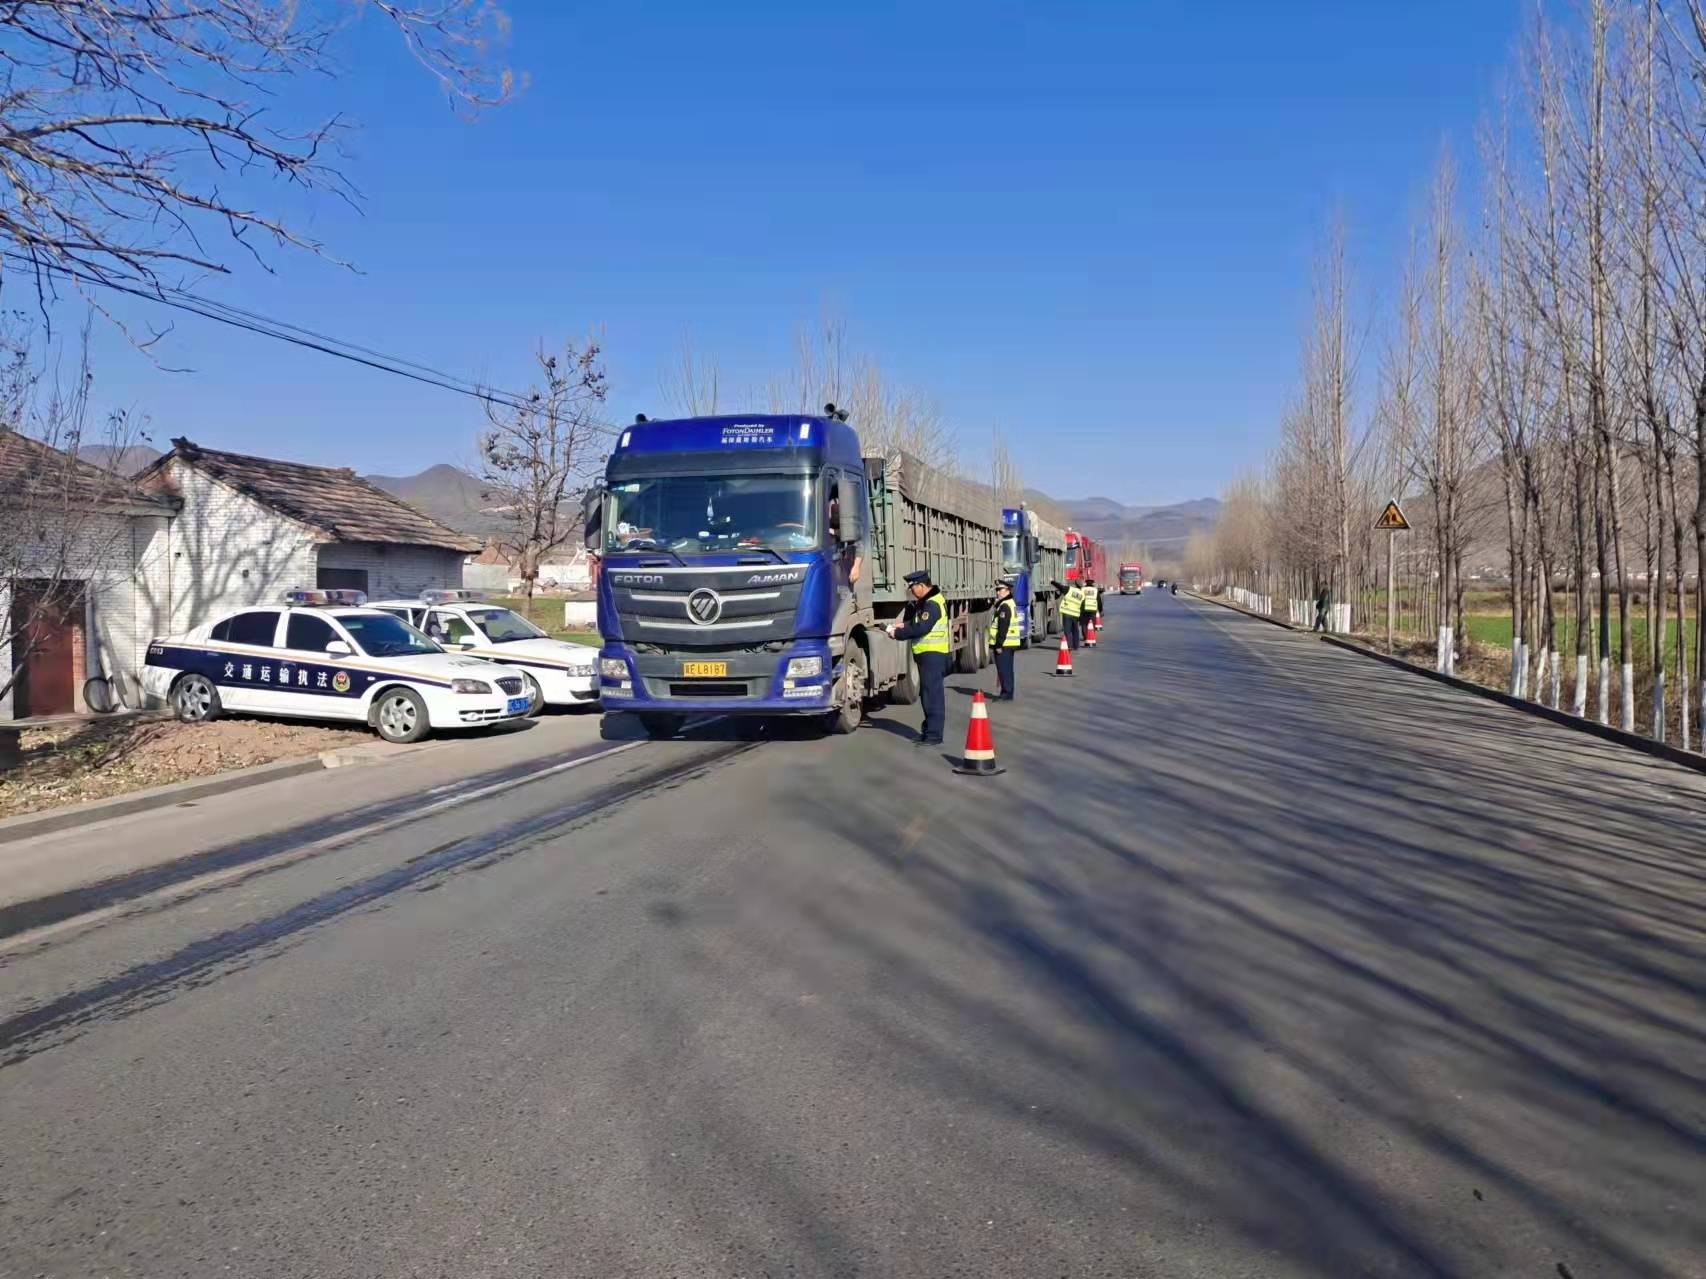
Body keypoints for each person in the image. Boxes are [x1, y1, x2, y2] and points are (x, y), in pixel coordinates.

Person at [886, 569, 949, 745]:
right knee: (927, 694)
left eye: (913, 587)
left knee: (932, 695)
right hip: (928, 654)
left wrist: (897, 633)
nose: (911, 591)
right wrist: (902, 624)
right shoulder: (927, 602)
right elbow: (916, 622)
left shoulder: (932, 604)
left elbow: (921, 628)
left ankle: (934, 735)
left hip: (933, 655)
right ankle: (929, 730)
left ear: (921, 586)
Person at [988, 578, 1021, 700]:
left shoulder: (1005, 606)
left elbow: (1003, 627)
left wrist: (998, 645)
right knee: (1008, 669)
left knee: (1003, 669)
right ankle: (1008, 691)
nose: (997, 592)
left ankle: (1006, 692)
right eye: (997, 590)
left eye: (1000, 590)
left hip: (1005, 644)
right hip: (1009, 643)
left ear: (1007, 590)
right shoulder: (1008, 603)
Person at [1058, 578, 1084, 649]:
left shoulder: (1070, 590)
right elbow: (1082, 607)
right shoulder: (1082, 594)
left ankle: (1069, 645)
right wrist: (1081, 618)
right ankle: (1076, 645)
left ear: (1075, 584)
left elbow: (1060, 587)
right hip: (1075, 615)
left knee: (1067, 630)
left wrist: (1052, 582)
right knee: (1075, 630)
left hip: (1067, 613)